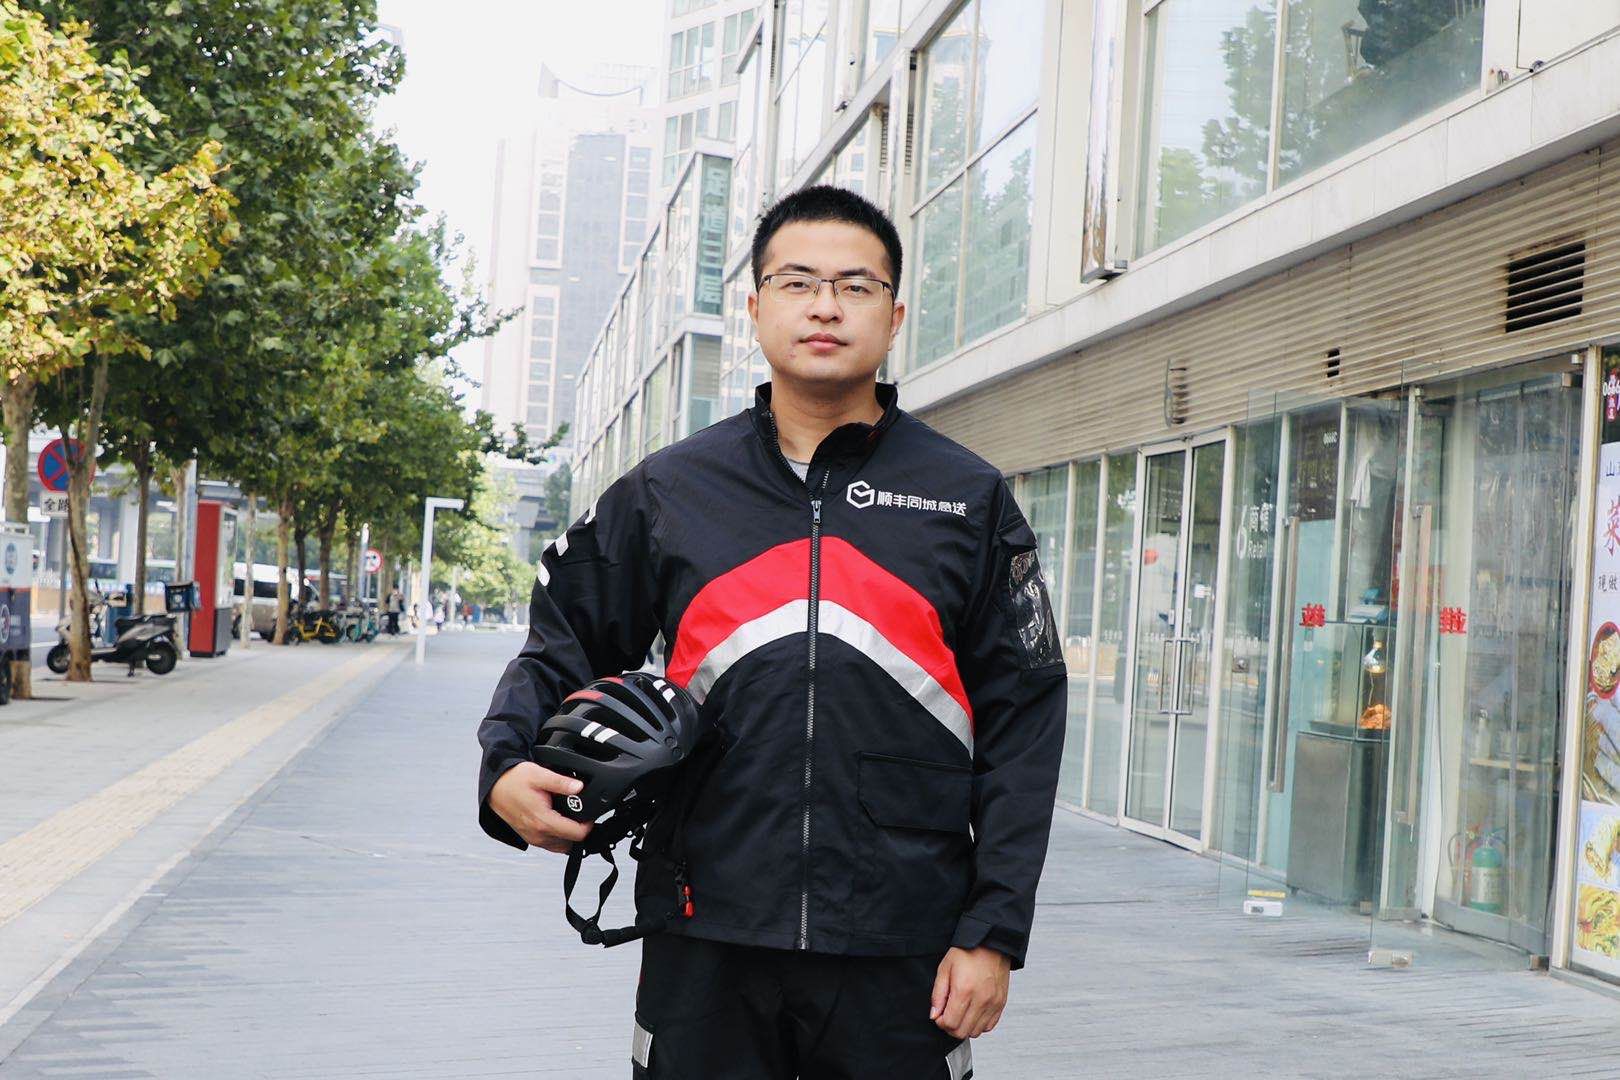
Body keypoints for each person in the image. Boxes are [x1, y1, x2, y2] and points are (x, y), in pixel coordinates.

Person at [477, 186, 1066, 1078]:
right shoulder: (670, 490)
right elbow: (564, 638)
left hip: (901, 943)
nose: (825, 306)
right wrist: (504, 765)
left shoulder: (968, 499)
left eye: (855, 286)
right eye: (798, 283)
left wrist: (993, 931)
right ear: (755, 309)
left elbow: (1025, 720)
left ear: (895, 316)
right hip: (705, 927)